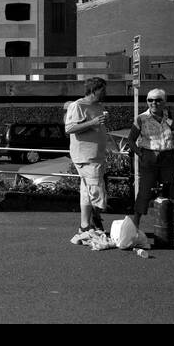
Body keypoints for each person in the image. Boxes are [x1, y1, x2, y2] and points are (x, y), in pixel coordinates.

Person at [126, 89, 174, 228]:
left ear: (164, 102)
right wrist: (140, 154)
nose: (154, 103)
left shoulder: (171, 116)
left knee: (167, 191)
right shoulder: (141, 118)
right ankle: (135, 225)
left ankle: (164, 224)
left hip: (169, 157)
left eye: (158, 100)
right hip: (149, 156)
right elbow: (130, 140)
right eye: (150, 100)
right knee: (144, 191)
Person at [65, 77, 110, 244]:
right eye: (103, 89)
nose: (106, 93)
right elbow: (69, 128)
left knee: (87, 191)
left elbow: (96, 127)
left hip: (97, 155)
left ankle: (85, 226)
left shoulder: (98, 106)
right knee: (96, 190)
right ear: (94, 90)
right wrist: (93, 122)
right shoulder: (77, 105)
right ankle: (94, 223)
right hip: (85, 156)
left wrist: (99, 123)